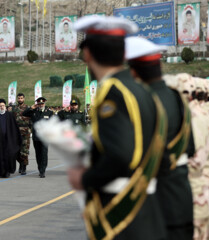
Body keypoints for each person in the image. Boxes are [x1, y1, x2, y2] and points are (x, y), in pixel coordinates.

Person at [67, 16, 168, 240]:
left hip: (122, 213)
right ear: (123, 54)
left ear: (88, 54)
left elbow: (121, 156)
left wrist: (84, 179)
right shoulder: (142, 91)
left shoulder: (114, 93)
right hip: (147, 207)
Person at [125, 37, 195, 240]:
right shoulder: (177, 97)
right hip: (181, 197)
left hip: (154, 202)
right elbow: (191, 148)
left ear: (134, 71)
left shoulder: (141, 101)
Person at [0, 99, 22, 178]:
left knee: (8, 156)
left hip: (8, 140)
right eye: (0, 106)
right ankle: (1, 172)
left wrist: (15, 139)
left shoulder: (10, 115)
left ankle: (7, 171)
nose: (2, 107)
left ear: (5, 106)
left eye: (3, 106)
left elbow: (14, 128)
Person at [22, 97, 53, 178]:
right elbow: (24, 114)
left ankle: (43, 171)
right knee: (38, 154)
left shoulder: (49, 112)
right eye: (39, 104)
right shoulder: (34, 112)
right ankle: (40, 168)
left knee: (44, 154)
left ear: (45, 104)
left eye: (42, 104)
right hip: (36, 136)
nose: (41, 105)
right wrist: (31, 108)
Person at [11, 93, 31, 175]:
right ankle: (21, 163)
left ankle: (24, 167)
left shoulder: (28, 108)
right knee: (16, 150)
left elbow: (32, 119)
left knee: (24, 150)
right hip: (16, 131)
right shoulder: (14, 108)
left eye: (21, 98)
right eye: (19, 98)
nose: (20, 99)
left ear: (24, 99)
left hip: (25, 131)